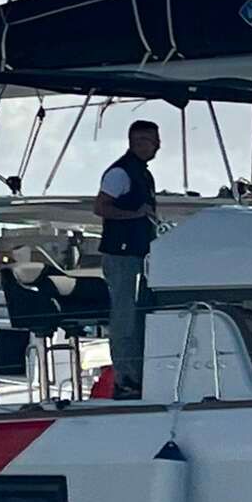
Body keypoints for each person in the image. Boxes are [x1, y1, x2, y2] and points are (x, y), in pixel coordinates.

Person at [95, 119, 160, 399]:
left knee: (139, 316)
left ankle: (139, 375)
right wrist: (135, 214)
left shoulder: (142, 174)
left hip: (139, 254)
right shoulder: (120, 173)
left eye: (155, 141)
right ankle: (125, 379)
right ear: (135, 142)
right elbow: (101, 207)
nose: (154, 146)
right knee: (125, 317)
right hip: (122, 255)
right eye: (148, 140)